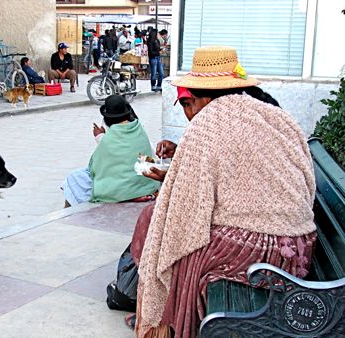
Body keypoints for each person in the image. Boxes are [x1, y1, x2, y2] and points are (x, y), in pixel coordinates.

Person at [130, 46, 317, 337]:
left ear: (201, 95)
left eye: (188, 104)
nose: (188, 112)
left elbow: (186, 211)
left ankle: (164, 321)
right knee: (167, 229)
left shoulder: (208, 123)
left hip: (265, 250)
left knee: (167, 238)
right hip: (300, 244)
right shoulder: (269, 112)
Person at [61, 95, 160, 207]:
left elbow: (96, 169)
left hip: (123, 190)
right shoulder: (139, 129)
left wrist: (100, 137)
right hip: (145, 185)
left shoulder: (109, 138)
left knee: (73, 178)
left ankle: (67, 216)